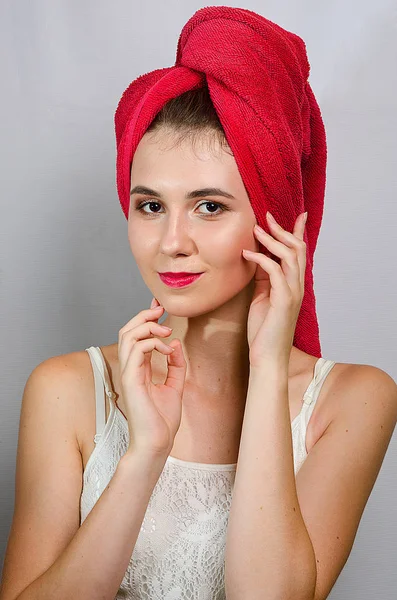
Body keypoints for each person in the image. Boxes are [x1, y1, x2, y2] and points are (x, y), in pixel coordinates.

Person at [1, 9, 396, 600]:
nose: (171, 243)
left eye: (209, 206)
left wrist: (266, 372)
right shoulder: (67, 389)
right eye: (150, 205)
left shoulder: (353, 400)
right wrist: (144, 455)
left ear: (274, 223)